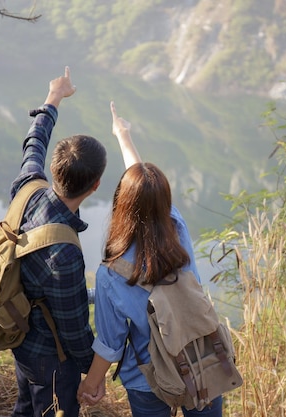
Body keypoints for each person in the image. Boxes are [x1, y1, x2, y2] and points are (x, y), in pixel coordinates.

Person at [76, 102, 223, 417]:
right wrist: (124, 137)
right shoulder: (176, 227)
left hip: (149, 378)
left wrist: (92, 383)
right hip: (202, 361)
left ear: (122, 206)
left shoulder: (112, 274)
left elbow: (111, 344)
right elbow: (147, 192)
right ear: (164, 200)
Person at [9, 66, 107, 417]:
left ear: (53, 168)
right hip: (50, 359)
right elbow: (75, 329)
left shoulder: (27, 188)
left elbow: (33, 142)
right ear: (95, 186)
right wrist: (93, 375)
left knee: (25, 407)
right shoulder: (64, 253)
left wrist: (54, 97)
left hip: (19, 337)